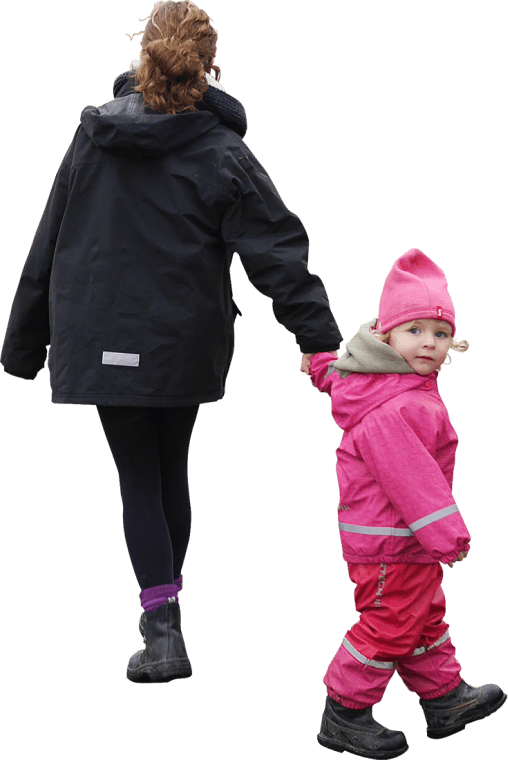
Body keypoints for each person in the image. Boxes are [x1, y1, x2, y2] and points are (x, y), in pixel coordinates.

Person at [0, 0, 342, 684]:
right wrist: (318, 337)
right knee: (170, 470)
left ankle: (162, 632)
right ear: (212, 62)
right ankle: (164, 618)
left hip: (100, 334)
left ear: (140, 54)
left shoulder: (92, 136)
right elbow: (276, 248)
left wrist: (23, 345)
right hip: (182, 341)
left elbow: (50, 235)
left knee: (137, 477)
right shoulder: (223, 149)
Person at [308, 249, 506, 758]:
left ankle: (444, 699)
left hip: (402, 540)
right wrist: (447, 532)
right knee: (389, 624)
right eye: (414, 330)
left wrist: (325, 368)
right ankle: (344, 712)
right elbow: (410, 478)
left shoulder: (387, 385)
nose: (428, 343)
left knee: (423, 618)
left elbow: (341, 378)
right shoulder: (401, 403)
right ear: (386, 337)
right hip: (391, 543)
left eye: (440, 335)